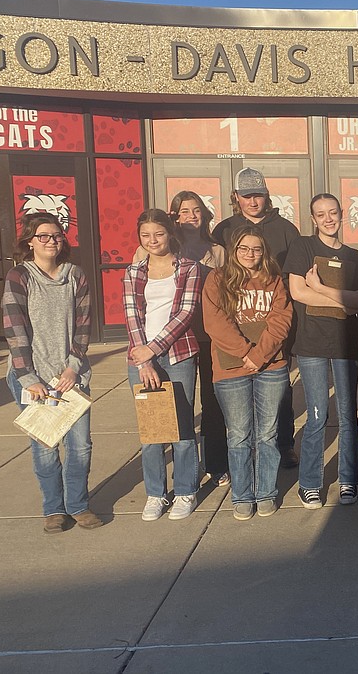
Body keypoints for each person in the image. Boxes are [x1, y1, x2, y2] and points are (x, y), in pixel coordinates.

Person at [2, 212, 102, 533]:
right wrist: (28, 379)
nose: (51, 241)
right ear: (29, 242)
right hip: (33, 378)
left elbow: (84, 324)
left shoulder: (75, 275)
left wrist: (73, 367)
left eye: (57, 236)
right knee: (45, 447)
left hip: (71, 375)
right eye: (43, 236)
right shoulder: (20, 276)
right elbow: (14, 329)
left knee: (80, 445)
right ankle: (54, 509)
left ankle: (78, 505)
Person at [211, 167, 301, 470]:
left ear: (266, 196)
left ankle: (284, 445)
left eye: (258, 195)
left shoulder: (287, 229)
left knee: (280, 393)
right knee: (234, 403)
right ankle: (233, 454)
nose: (253, 201)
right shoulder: (223, 230)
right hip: (235, 326)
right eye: (247, 195)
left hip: (274, 324)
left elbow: (293, 279)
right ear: (236, 197)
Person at [203, 225, 293, 521]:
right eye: (243, 248)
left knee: (268, 434)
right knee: (239, 435)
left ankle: (266, 492)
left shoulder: (274, 280)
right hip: (230, 369)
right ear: (233, 250)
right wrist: (245, 352)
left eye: (256, 249)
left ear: (263, 252)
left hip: (271, 366)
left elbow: (281, 320)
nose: (250, 254)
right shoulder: (217, 280)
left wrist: (259, 355)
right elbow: (215, 323)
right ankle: (242, 495)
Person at [283, 194, 358, 508]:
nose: (328, 219)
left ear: (342, 214)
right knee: (317, 414)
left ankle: (348, 480)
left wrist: (320, 288)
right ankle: (310, 483)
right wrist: (343, 301)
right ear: (313, 219)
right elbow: (297, 292)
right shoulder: (303, 247)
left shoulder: (353, 256)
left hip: (346, 344)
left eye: (333, 212)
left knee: (348, 416)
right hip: (312, 344)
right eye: (321, 214)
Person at [124, 209, 203, 521]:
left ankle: (186, 490)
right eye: (145, 235)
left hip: (179, 354)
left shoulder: (189, 269)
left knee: (183, 428)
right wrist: (143, 359)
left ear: (170, 233)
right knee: (152, 430)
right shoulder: (133, 273)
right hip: (140, 358)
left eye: (158, 233)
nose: (152, 240)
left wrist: (152, 349)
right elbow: (131, 316)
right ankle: (156, 493)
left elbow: (185, 312)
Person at [169, 191, 228, 486]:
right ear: (174, 217)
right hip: (173, 338)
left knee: (212, 401)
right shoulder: (162, 248)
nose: (191, 216)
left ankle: (216, 463)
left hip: (207, 336)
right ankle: (183, 473)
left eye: (196, 211)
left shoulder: (217, 251)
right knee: (177, 404)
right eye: (183, 211)